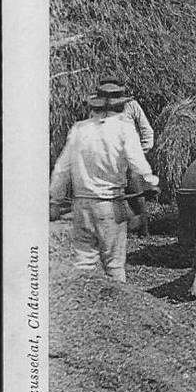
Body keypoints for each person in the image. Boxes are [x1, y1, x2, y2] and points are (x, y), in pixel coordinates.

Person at [49, 88, 160, 283]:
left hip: (81, 205)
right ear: (119, 106)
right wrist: (152, 182)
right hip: (111, 203)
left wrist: (56, 201)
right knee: (114, 264)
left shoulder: (79, 129)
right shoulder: (124, 128)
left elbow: (61, 169)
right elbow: (137, 162)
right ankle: (117, 309)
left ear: (95, 106)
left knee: (84, 263)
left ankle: (84, 306)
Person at [97, 77, 154, 231]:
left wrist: (142, 152)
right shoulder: (98, 109)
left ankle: (144, 229)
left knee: (136, 190)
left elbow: (146, 131)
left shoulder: (131, 106)